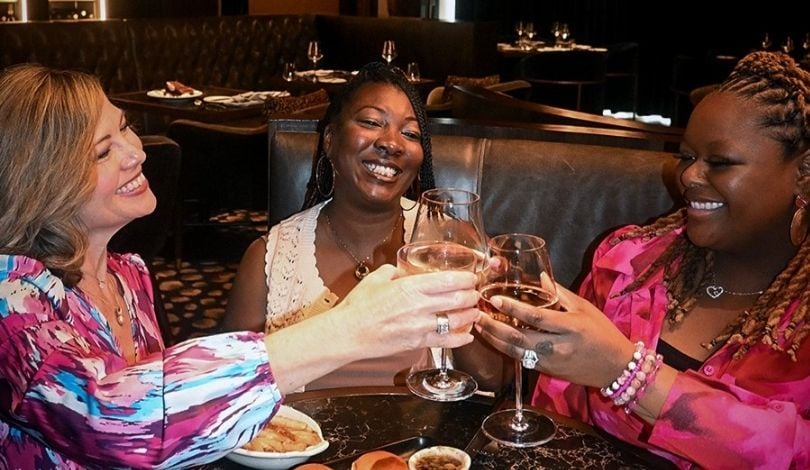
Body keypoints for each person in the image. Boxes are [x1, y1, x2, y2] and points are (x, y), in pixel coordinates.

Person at [0, 64, 482, 468]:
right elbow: (120, 421)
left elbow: (187, 430)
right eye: (104, 150)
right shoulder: (12, 298)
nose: (138, 153)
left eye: (126, 127)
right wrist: (350, 328)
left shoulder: (127, 276)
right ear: (44, 180)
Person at [476, 51, 810, 468]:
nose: (689, 177)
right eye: (687, 157)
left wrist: (626, 372)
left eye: (720, 163)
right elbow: (553, 422)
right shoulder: (629, 263)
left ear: (804, 173)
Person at [223, 62, 506, 392]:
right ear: (330, 140)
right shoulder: (268, 259)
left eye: (410, 133)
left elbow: (493, 381)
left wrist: (457, 299)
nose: (392, 143)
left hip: (423, 441)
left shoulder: (453, 245)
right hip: (302, 440)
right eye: (372, 122)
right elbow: (226, 392)